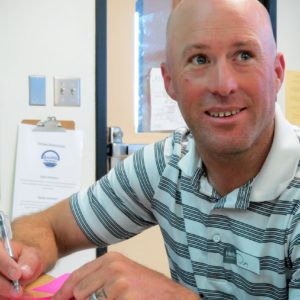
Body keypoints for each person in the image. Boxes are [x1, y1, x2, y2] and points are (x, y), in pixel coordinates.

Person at [0, 0, 298, 299]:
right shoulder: (168, 163)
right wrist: (23, 256)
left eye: (244, 55)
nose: (223, 85)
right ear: (169, 82)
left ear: (276, 72)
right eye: (199, 59)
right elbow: (52, 227)